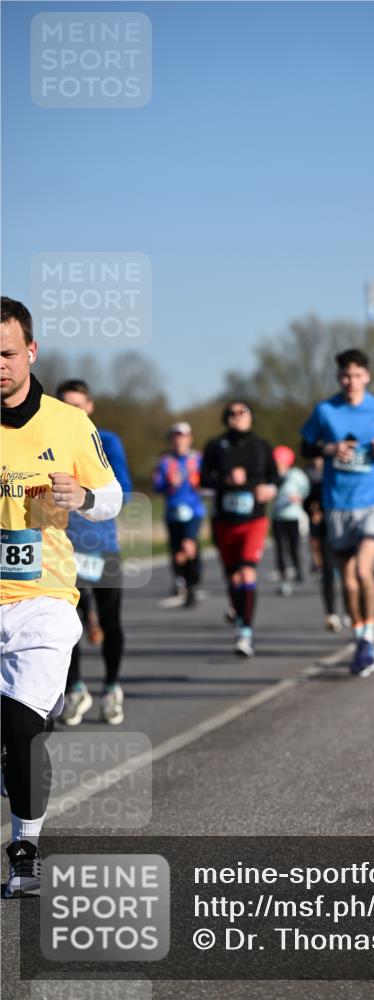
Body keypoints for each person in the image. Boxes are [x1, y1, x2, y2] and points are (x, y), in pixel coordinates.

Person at [0, 296, 122, 897]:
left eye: (7, 353)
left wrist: (84, 499)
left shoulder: (70, 423)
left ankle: (24, 847)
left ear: (31, 352)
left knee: (21, 724)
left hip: (43, 598)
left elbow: (114, 496)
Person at [300, 348, 374, 676]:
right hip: (338, 503)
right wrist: (328, 449)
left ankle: (370, 638)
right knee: (347, 579)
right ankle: (360, 637)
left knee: (361, 571)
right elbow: (305, 445)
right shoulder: (325, 411)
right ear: (338, 377)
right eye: (346, 375)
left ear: (367, 377)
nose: (351, 381)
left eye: (358, 375)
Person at [56, 380, 133, 726]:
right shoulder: (49, 439)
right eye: (65, 403)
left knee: (111, 619)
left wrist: (82, 493)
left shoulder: (107, 440)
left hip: (101, 545)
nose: (72, 409)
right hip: (61, 545)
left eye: (78, 404)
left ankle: (113, 687)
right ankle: (75, 689)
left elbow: (123, 491)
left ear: (89, 407)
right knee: (65, 622)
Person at [201, 401, 278, 657]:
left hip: (254, 519)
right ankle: (239, 618)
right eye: (232, 413)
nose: (237, 417)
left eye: (242, 412)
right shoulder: (215, 445)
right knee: (233, 577)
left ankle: (245, 632)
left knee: (247, 573)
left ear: (251, 417)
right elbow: (203, 479)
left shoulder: (262, 446)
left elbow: (275, 478)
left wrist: (269, 490)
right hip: (225, 520)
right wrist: (224, 479)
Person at [153, 422, 205, 606]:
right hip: (173, 512)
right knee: (177, 553)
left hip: (194, 511)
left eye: (182, 436)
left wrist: (201, 484)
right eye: (175, 436)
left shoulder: (199, 459)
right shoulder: (165, 462)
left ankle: (192, 583)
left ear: (189, 438)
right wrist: (169, 484)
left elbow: (209, 483)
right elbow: (157, 487)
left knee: (188, 545)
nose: (179, 440)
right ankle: (183, 581)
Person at [304, 457, 343, 632]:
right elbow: (308, 503)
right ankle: (331, 613)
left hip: (347, 531)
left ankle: (351, 609)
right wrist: (314, 511)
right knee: (328, 572)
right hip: (327, 531)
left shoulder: (346, 481)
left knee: (349, 574)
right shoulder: (319, 484)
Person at [271, 446, 310, 596]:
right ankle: (284, 579)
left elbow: (306, 490)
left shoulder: (296, 475)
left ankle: (299, 569)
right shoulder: (273, 475)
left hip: (293, 516)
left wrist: (300, 498)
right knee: (280, 549)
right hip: (278, 517)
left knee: (294, 546)